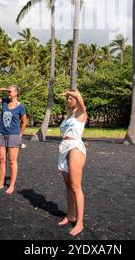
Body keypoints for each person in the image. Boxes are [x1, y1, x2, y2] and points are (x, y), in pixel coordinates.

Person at [58, 89, 87, 236]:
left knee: (76, 187)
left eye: (71, 98)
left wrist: (74, 93)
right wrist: (70, 95)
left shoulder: (81, 113)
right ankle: (70, 215)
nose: (68, 100)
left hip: (75, 147)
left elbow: (81, 102)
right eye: (67, 98)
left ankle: (80, 223)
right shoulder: (68, 116)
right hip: (64, 148)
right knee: (68, 186)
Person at [0, 85, 27, 195]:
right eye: (8, 91)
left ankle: (11, 185)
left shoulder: (21, 106)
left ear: (16, 93)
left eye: (10, 91)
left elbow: (24, 122)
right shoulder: (5, 101)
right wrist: (1, 89)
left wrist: (20, 135)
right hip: (2, 134)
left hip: (14, 136)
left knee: (12, 161)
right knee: (1, 159)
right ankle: (1, 183)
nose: (8, 93)